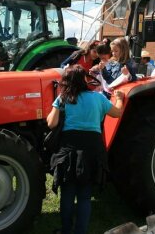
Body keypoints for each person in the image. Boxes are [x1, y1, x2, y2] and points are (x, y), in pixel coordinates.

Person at [47, 64, 124, 234]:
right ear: (84, 80)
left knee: (67, 193)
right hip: (92, 150)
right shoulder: (98, 98)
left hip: (68, 150)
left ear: (66, 82)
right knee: (84, 195)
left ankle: (66, 231)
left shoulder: (63, 98)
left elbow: (51, 123)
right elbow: (117, 113)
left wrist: (56, 105)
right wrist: (119, 98)